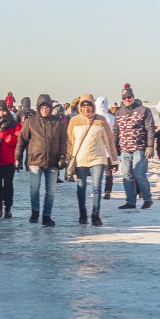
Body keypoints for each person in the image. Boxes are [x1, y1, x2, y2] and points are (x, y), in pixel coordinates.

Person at [14, 94, 67, 226]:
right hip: (35, 160)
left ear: (50, 108)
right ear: (38, 108)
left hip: (53, 161)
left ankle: (46, 216)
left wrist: (62, 157)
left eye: (47, 107)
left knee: (51, 191)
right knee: (34, 188)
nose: (44, 110)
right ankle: (35, 212)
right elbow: (22, 141)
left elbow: (63, 142)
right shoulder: (30, 122)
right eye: (42, 107)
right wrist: (17, 157)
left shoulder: (58, 123)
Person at [67, 95, 118, 226]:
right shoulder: (74, 121)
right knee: (81, 187)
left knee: (96, 187)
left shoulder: (101, 120)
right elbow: (70, 142)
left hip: (98, 159)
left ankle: (95, 214)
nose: (86, 109)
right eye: (83, 107)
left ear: (93, 107)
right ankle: (82, 214)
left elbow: (109, 141)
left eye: (88, 106)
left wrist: (114, 160)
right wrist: (68, 159)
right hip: (80, 160)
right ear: (80, 107)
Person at [113, 83, 156, 210]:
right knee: (127, 175)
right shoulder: (118, 113)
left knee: (139, 174)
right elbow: (116, 131)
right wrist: (114, 146)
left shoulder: (144, 110)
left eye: (129, 97)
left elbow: (150, 128)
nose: (127, 99)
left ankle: (147, 199)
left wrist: (150, 146)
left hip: (139, 148)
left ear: (133, 97)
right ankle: (130, 201)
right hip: (125, 150)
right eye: (125, 98)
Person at [95, 96, 118, 200]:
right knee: (108, 171)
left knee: (97, 172)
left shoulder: (94, 117)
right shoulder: (112, 118)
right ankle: (108, 191)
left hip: (97, 149)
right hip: (108, 149)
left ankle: (96, 190)